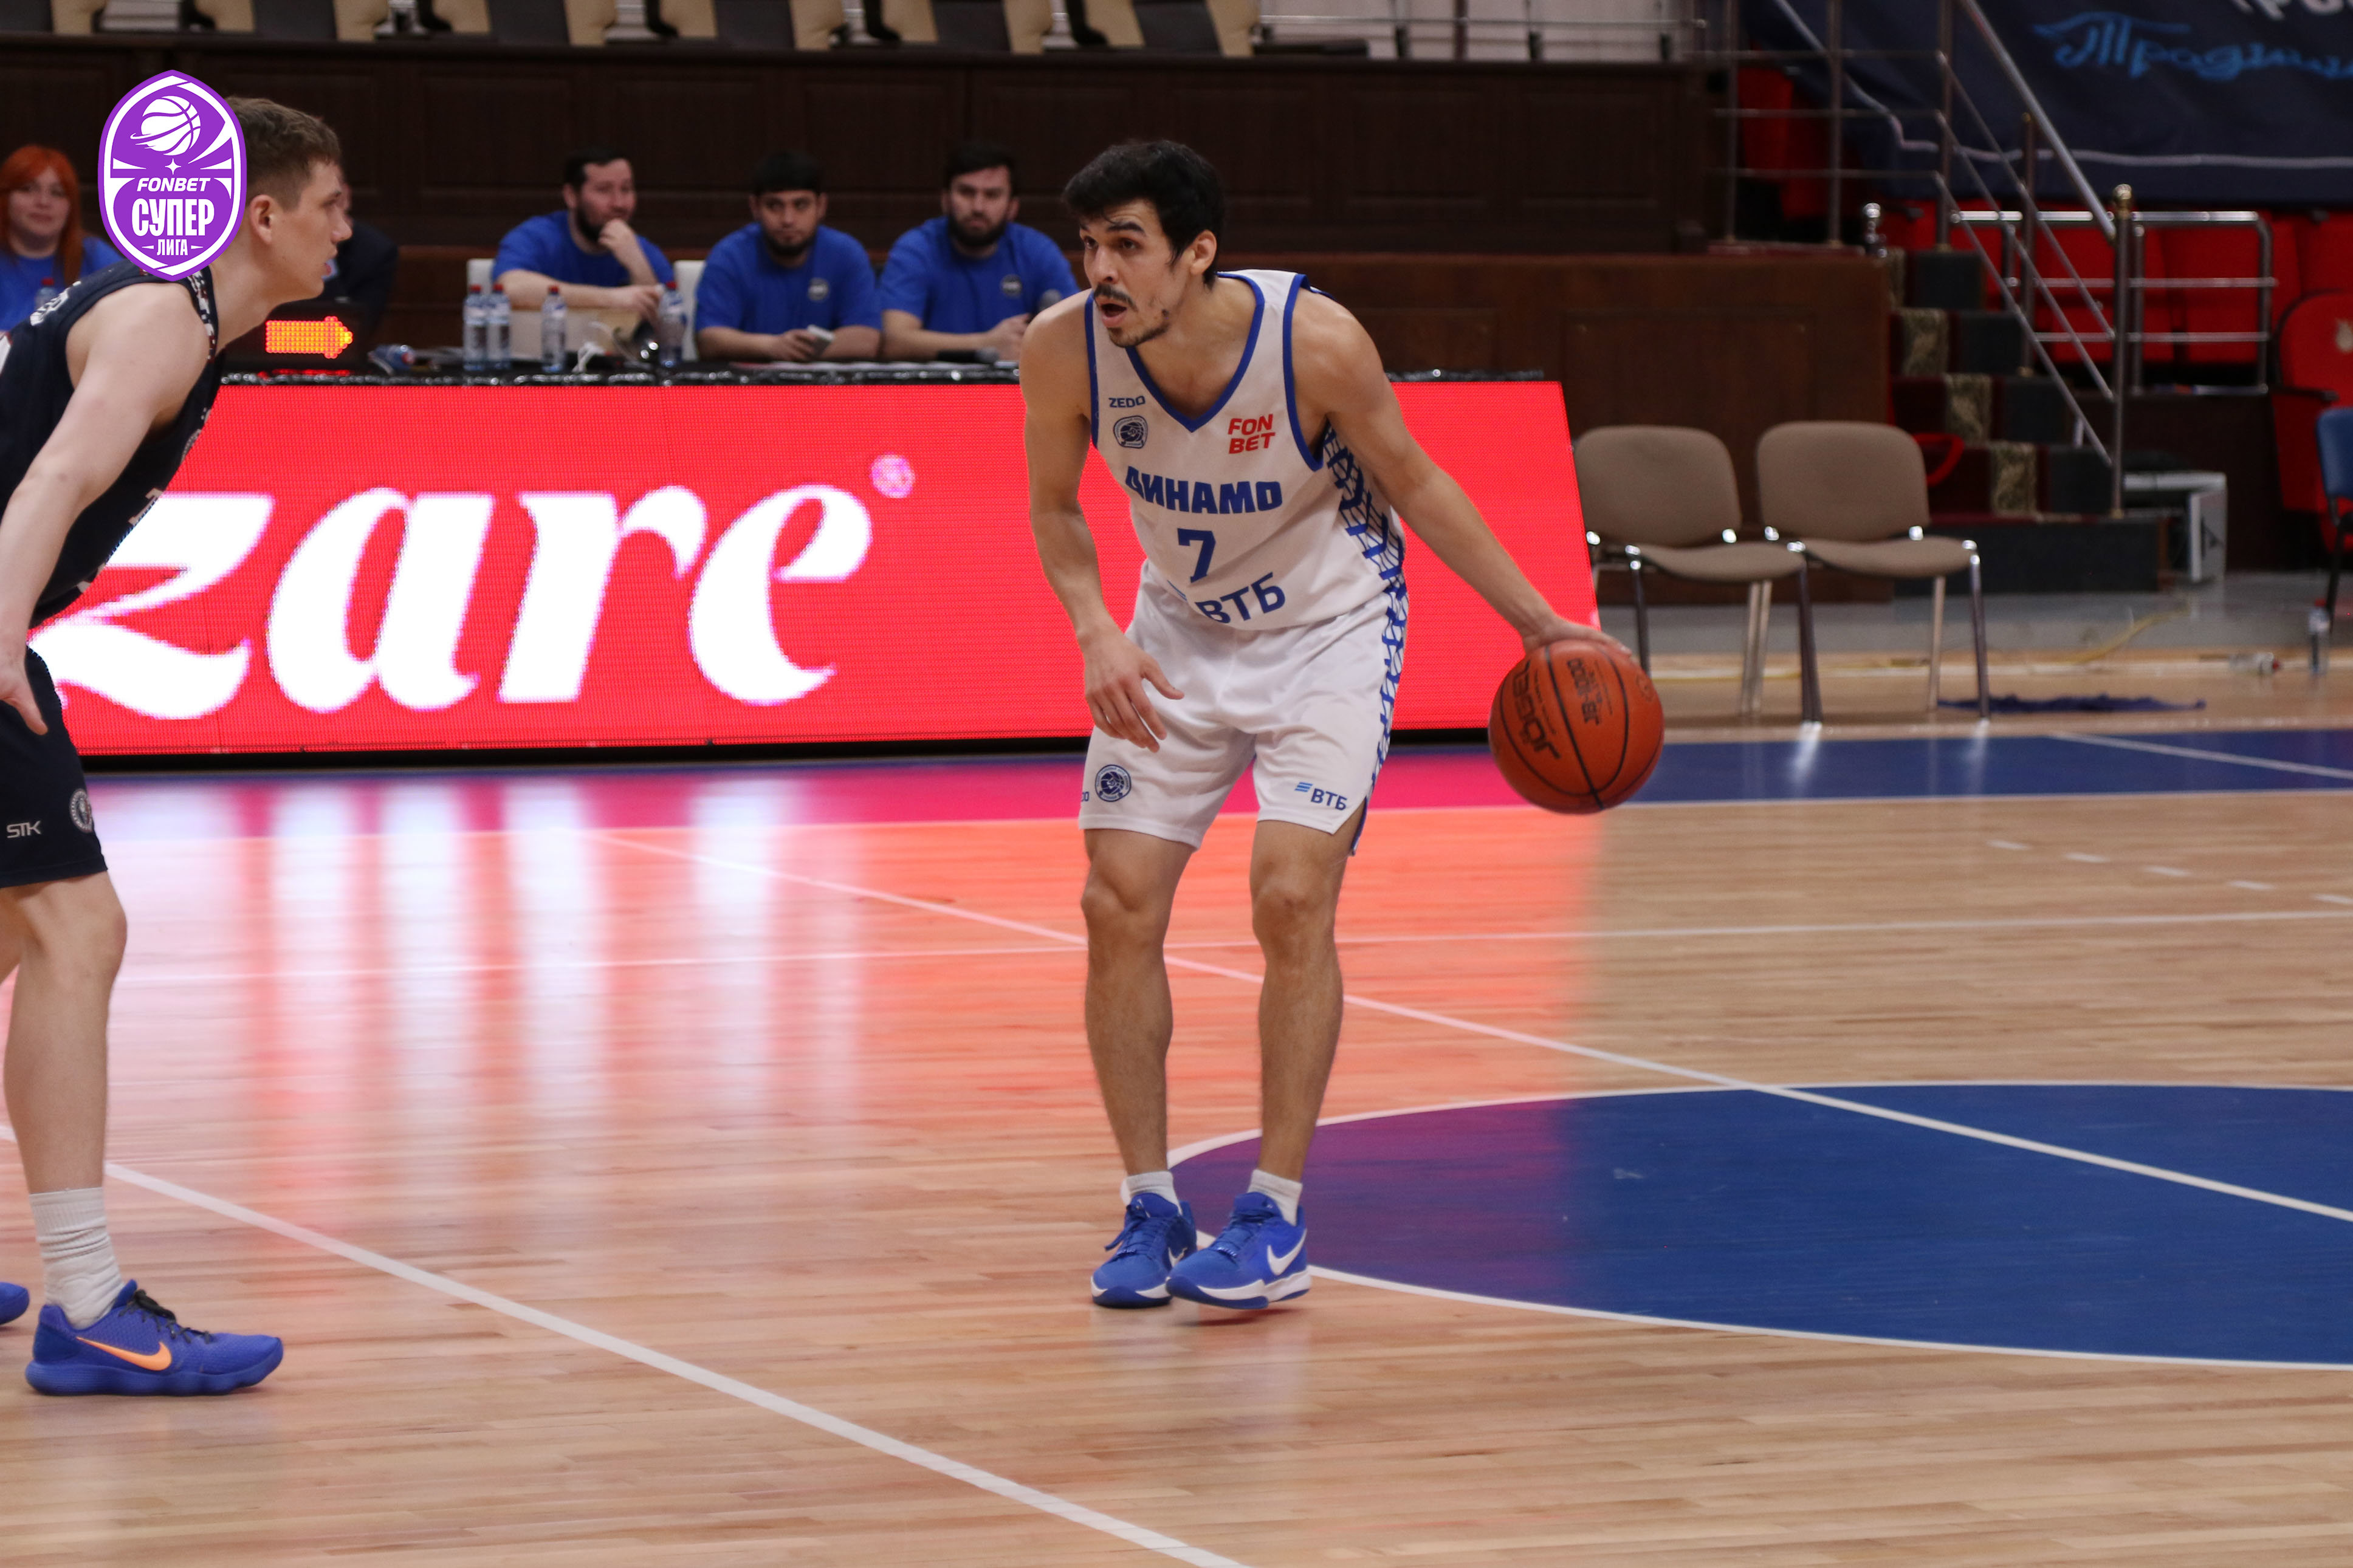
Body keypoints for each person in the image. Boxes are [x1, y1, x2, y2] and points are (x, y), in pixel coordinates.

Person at [1020, 141, 1610, 1313]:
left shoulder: (1314, 342)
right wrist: (1094, 632)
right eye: (1088, 246)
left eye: (1127, 245)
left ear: (1197, 252)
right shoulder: (1061, 346)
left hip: (1328, 629)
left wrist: (1539, 623)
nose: (1101, 271)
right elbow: (1052, 505)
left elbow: (1417, 482)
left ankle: (1273, 1217)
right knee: (1113, 903)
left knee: (1289, 896)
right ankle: (1149, 1204)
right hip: (1176, 632)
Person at [0, 98, 351, 1394]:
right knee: (76, 929)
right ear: (261, 214)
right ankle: (91, 1306)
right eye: (333, 207)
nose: (346, 232)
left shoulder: (168, 314)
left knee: (17, 933)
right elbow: (51, 481)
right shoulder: (163, 317)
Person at [879, 140, 1076, 365]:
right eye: (966, 193)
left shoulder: (1038, 251)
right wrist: (987, 342)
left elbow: (1075, 335)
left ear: (1012, 207)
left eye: (992, 195)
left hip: (1016, 384)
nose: (978, 207)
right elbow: (895, 341)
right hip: (936, 384)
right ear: (946, 200)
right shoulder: (916, 249)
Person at [694, 151, 881, 364]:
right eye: (774, 206)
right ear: (755, 208)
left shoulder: (846, 253)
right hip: (750, 383)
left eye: (801, 205)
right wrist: (771, 347)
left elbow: (868, 340)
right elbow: (709, 339)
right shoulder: (730, 255)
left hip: (825, 382)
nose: (788, 220)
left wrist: (796, 350)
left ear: (821, 206)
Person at [492, 148, 675, 326]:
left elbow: (669, 332)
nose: (619, 203)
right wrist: (612, 299)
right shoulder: (537, 236)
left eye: (626, 189)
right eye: (604, 190)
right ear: (571, 196)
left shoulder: (642, 250)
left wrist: (639, 266)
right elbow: (511, 289)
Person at [1, 147, 123, 332]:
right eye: (28, 189)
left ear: (71, 206)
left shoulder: (94, 255)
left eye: (57, 193)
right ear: (5, 198)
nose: (43, 202)